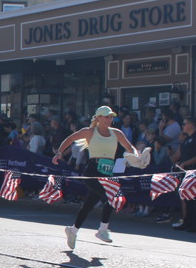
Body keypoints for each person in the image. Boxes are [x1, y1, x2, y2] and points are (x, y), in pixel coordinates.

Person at [54, 105, 137, 249]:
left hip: (108, 172)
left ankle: (72, 230)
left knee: (88, 205)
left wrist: (138, 157)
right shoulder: (90, 131)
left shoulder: (116, 133)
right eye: (106, 117)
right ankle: (103, 230)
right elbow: (70, 138)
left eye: (111, 117)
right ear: (98, 118)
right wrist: (59, 153)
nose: (109, 119)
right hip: (93, 171)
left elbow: (130, 148)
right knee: (112, 196)